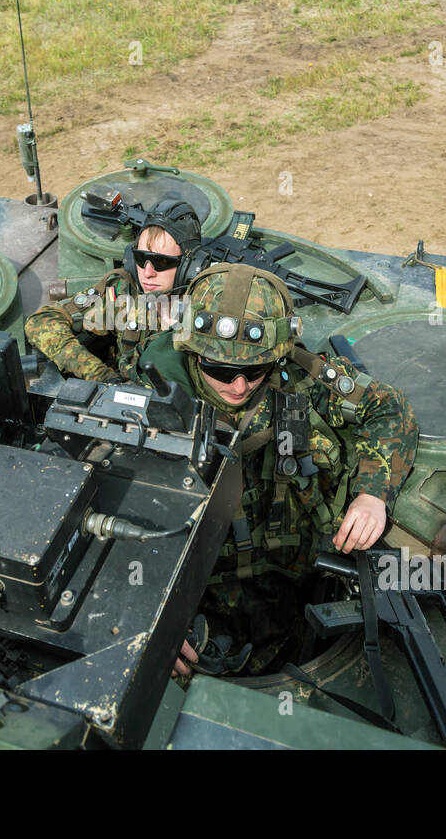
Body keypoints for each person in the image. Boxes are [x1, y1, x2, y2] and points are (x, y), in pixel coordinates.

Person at [135, 263, 418, 677]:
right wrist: (147, 613)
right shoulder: (151, 396)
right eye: (219, 370)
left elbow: (389, 407)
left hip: (293, 581)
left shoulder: (298, 376)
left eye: (254, 371)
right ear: (193, 353)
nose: (238, 386)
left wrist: (373, 494)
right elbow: (119, 510)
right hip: (200, 593)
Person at [25, 200, 200, 383]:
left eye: (161, 262)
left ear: (189, 266)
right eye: (141, 258)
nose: (147, 273)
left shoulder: (206, 304)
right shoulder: (123, 290)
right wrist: (100, 375)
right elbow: (41, 321)